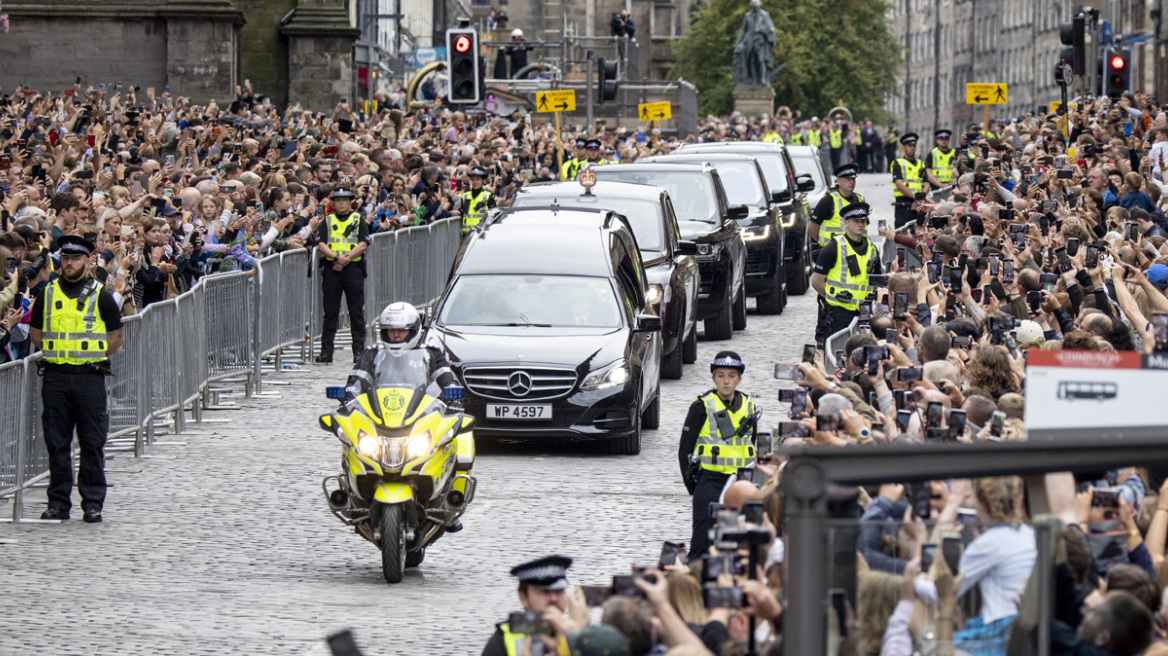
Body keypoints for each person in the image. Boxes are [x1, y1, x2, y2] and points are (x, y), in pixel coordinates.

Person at [28, 235, 124, 522]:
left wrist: (89, 356)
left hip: (88, 377)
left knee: (92, 441)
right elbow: (36, 334)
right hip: (56, 377)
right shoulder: (47, 294)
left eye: (75, 258)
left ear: (86, 261)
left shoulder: (101, 294)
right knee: (57, 442)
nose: (69, 263)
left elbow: (116, 337)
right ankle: (58, 502)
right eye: (65, 259)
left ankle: (92, 502)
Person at [678, 350, 759, 561]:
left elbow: (752, 443)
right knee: (701, 543)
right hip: (710, 480)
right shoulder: (701, 407)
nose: (726, 381)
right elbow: (684, 450)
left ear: (739, 378)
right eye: (721, 375)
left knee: (733, 543)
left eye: (732, 376)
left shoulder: (750, 406)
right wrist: (693, 486)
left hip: (738, 483)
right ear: (713, 377)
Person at [482, 555, 582, 656]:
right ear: (523, 598)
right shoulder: (501, 642)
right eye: (544, 592)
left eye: (559, 591)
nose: (553, 598)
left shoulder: (580, 636)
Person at [811, 201, 882, 339]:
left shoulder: (872, 248)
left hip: (864, 312)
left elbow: (876, 280)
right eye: (856, 221)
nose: (860, 224)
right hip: (839, 313)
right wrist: (833, 298)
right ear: (846, 223)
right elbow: (816, 281)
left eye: (863, 221)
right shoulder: (833, 247)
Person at [315, 186, 369, 364]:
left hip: (353, 269)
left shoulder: (358, 219)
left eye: (344, 200)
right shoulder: (327, 220)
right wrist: (337, 258)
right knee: (330, 312)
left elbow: (363, 244)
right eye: (337, 200)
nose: (341, 202)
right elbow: (321, 243)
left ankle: (359, 352)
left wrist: (345, 260)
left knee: (356, 312)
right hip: (332, 269)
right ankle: (326, 352)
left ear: (350, 202)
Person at [890, 132, 926, 228]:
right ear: (904, 147)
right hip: (903, 205)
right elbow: (899, 185)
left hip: (919, 204)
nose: (912, 148)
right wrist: (915, 197)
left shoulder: (921, 163)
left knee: (920, 231)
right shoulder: (898, 163)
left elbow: (926, 184)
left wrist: (920, 199)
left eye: (914, 145)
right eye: (910, 145)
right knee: (903, 231)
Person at [459, 167, 496, 235]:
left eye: (477, 179)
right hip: (466, 235)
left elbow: (493, 216)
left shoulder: (488, 196)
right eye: (473, 179)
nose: (475, 182)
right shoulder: (465, 196)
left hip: (482, 234)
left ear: (483, 181)